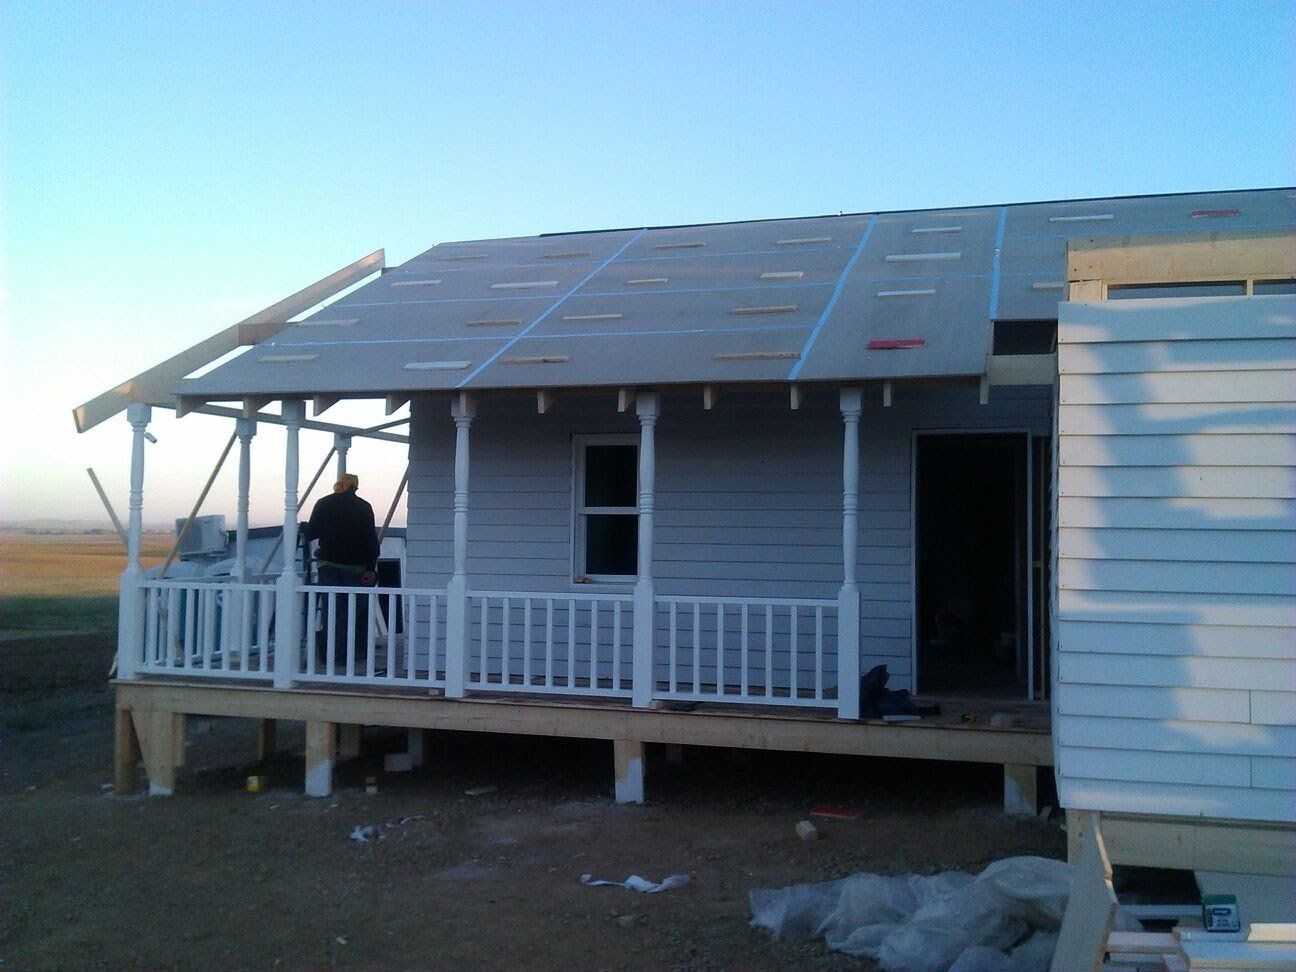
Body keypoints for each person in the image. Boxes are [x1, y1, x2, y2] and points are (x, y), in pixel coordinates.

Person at [305, 473, 381, 670]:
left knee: (332, 610)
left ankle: (333, 653)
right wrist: (371, 568)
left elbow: (311, 532)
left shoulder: (323, 503)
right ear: (355, 487)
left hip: (328, 564)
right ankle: (354, 651)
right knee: (354, 610)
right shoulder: (364, 507)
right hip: (356, 567)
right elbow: (371, 542)